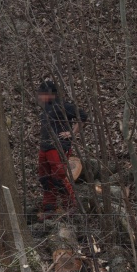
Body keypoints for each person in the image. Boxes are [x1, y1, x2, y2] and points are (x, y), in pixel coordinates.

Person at [36, 80, 87, 218]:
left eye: (43, 94)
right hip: (45, 147)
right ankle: (49, 209)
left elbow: (82, 116)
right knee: (45, 178)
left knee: (59, 177)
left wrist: (72, 133)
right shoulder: (46, 108)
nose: (40, 97)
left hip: (58, 146)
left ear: (50, 94)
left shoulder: (63, 106)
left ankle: (71, 207)